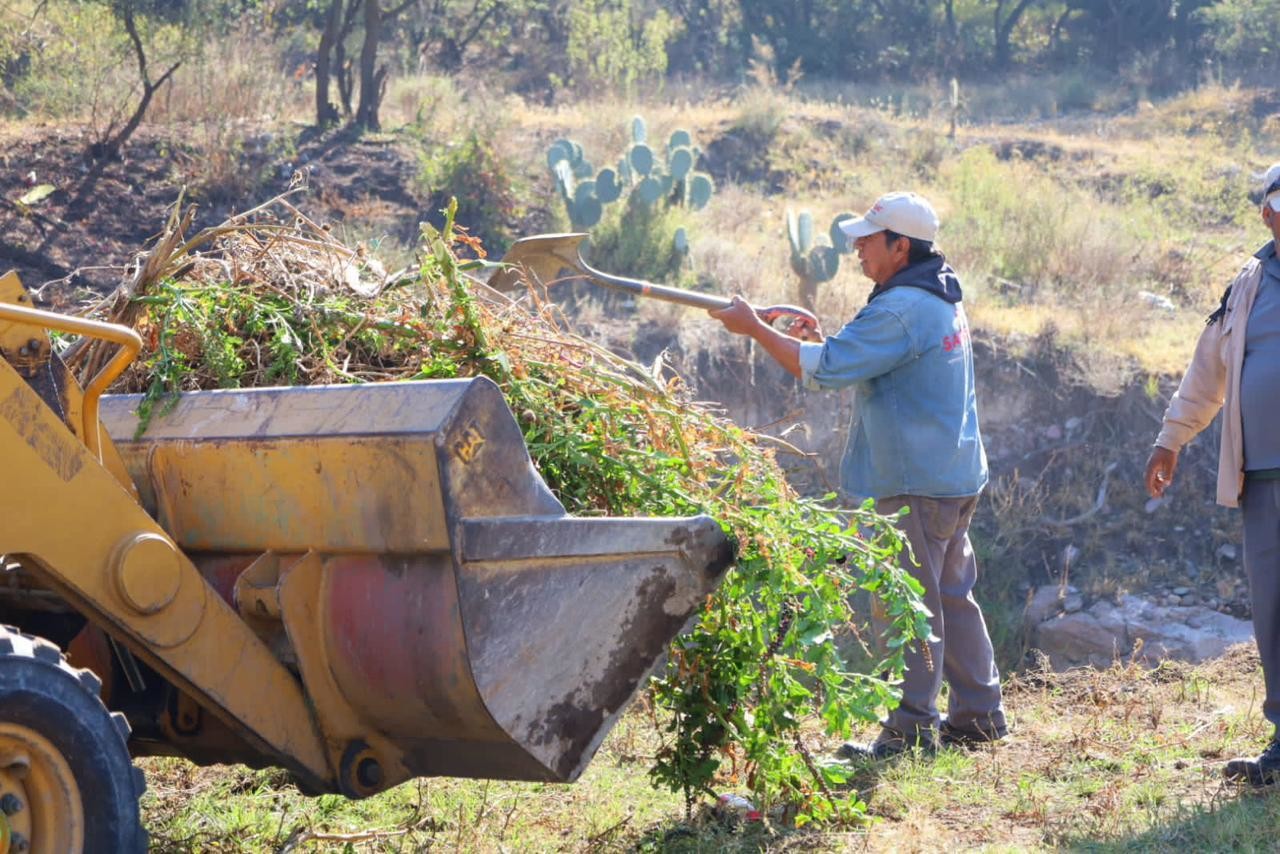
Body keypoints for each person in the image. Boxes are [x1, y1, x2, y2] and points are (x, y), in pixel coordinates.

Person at [709, 191, 1006, 758]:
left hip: (916, 481)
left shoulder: (900, 308)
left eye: (868, 241)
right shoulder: (935, 292)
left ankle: (912, 726)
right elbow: (854, 357)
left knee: (911, 602)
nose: (858, 251)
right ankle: (981, 713)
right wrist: (812, 337)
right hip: (954, 473)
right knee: (950, 594)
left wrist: (753, 328)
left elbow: (822, 372)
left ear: (901, 246)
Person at [1145, 163, 1280, 787]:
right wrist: (1172, 439)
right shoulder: (1248, 283)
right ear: (1268, 214)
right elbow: (1209, 370)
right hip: (1263, 479)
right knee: (1274, 609)